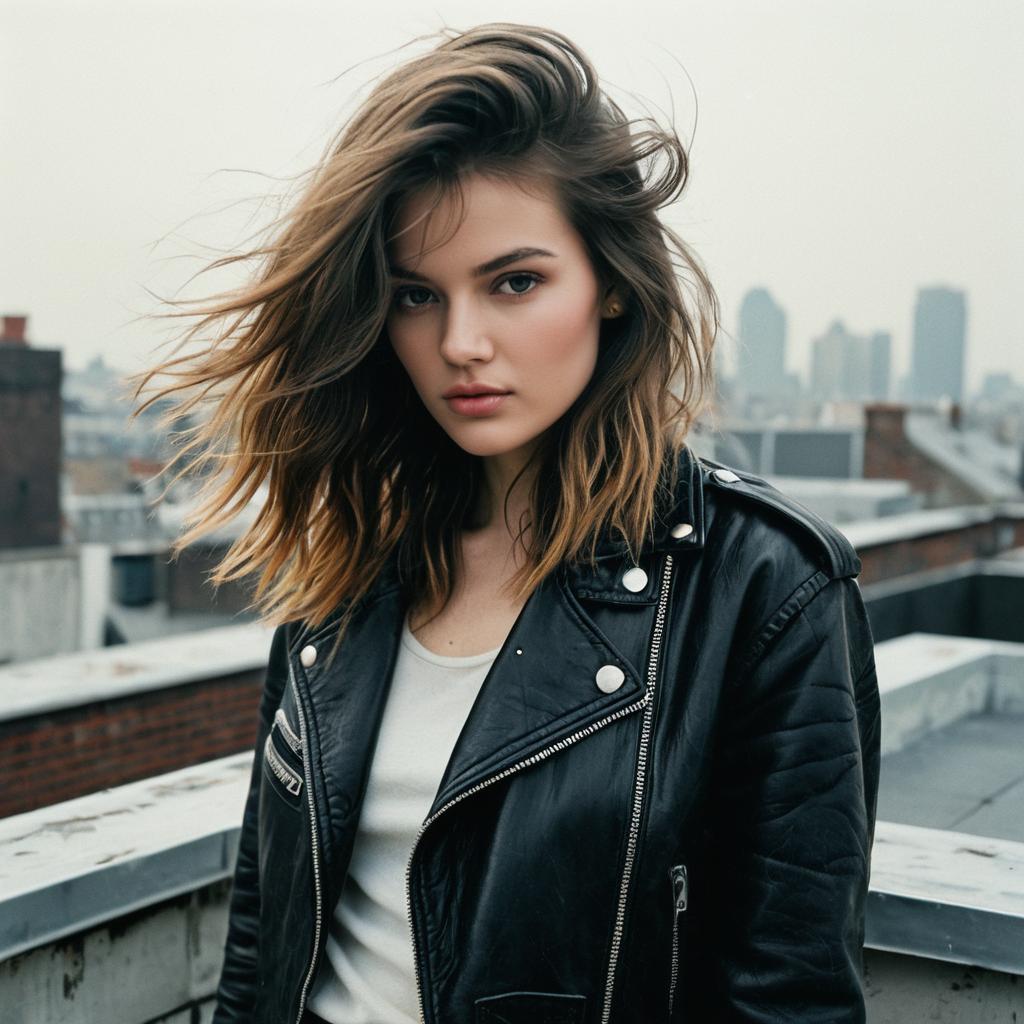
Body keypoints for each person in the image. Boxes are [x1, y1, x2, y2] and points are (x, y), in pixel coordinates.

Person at [129, 21, 880, 1024]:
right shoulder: (350, 569)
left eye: (514, 281)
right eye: (415, 296)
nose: (460, 343)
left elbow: (789, 1000)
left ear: (609, 280)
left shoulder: (763, 588)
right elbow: (264, 939)